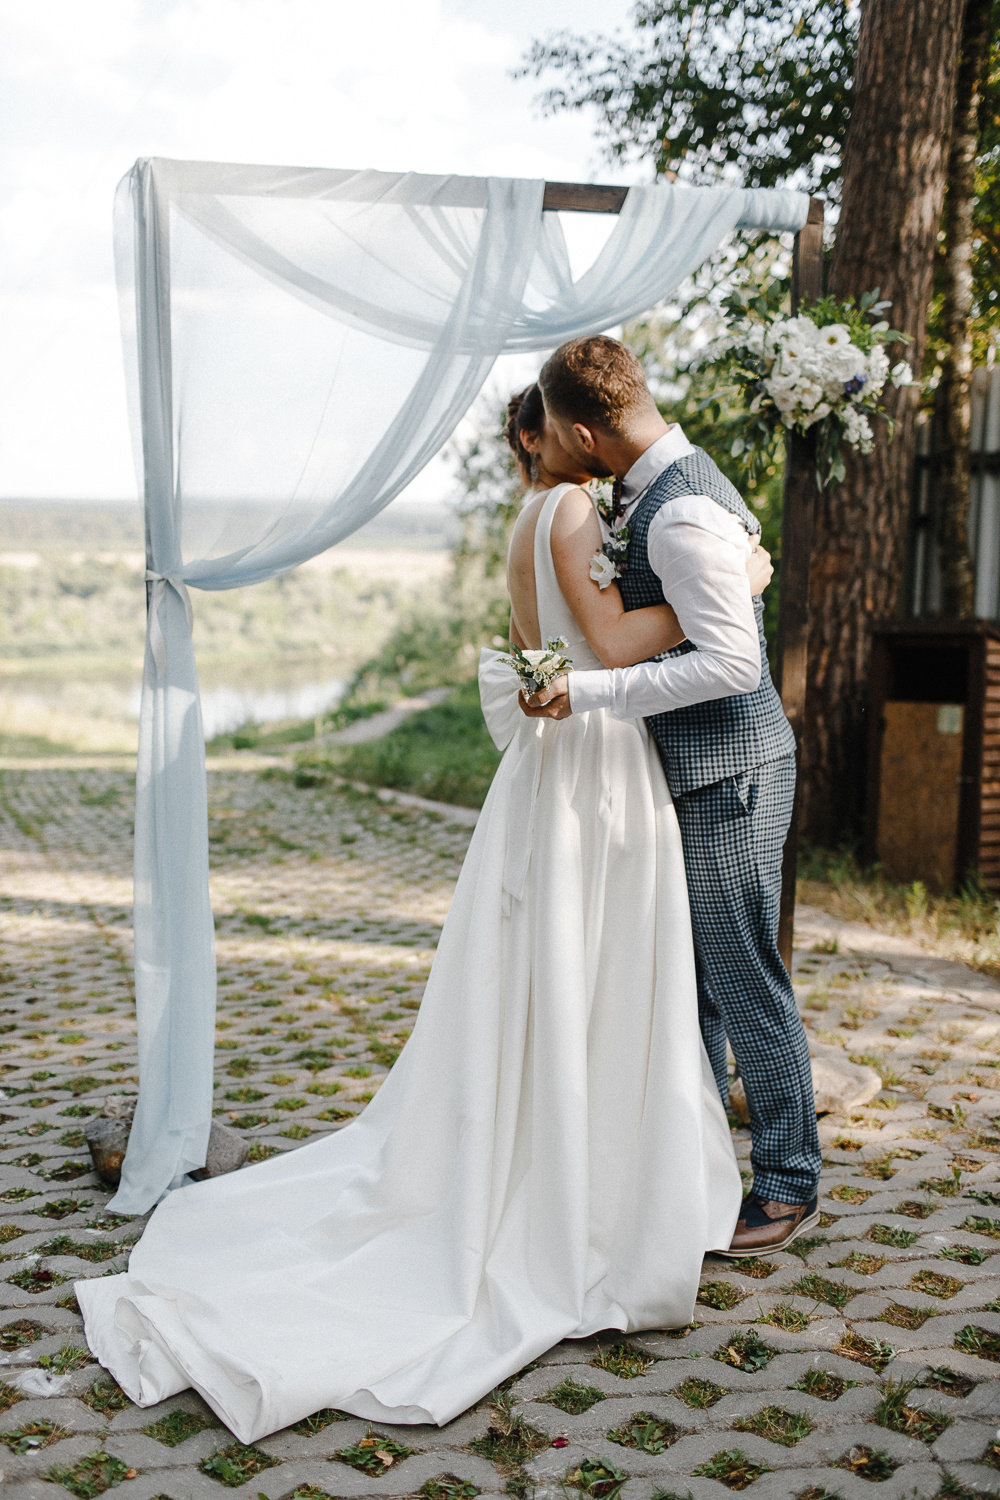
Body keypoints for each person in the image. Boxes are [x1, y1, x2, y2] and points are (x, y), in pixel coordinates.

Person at [75, 383, 767, 1444]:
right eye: (568, 430)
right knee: (601, 965)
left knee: (559, 967)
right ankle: (587, 1191)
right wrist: (726, 587)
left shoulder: (526, 519)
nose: (584, 445)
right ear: (550, 436)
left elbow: (537, 651)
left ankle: (569, 1152)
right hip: (596, 757)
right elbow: (609, 642)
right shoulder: (572, 510)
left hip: (552, 760)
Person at [522, 336, 822, 1257]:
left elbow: (733, 664)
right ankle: (693, 1170)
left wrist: (592, 692)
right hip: (700, 770)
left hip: (731, 773)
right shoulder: (657, 487)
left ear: (582, 433)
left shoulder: (679, 511)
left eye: (555, 436)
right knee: (693, 983)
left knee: (741, 977)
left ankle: (788, 1183)